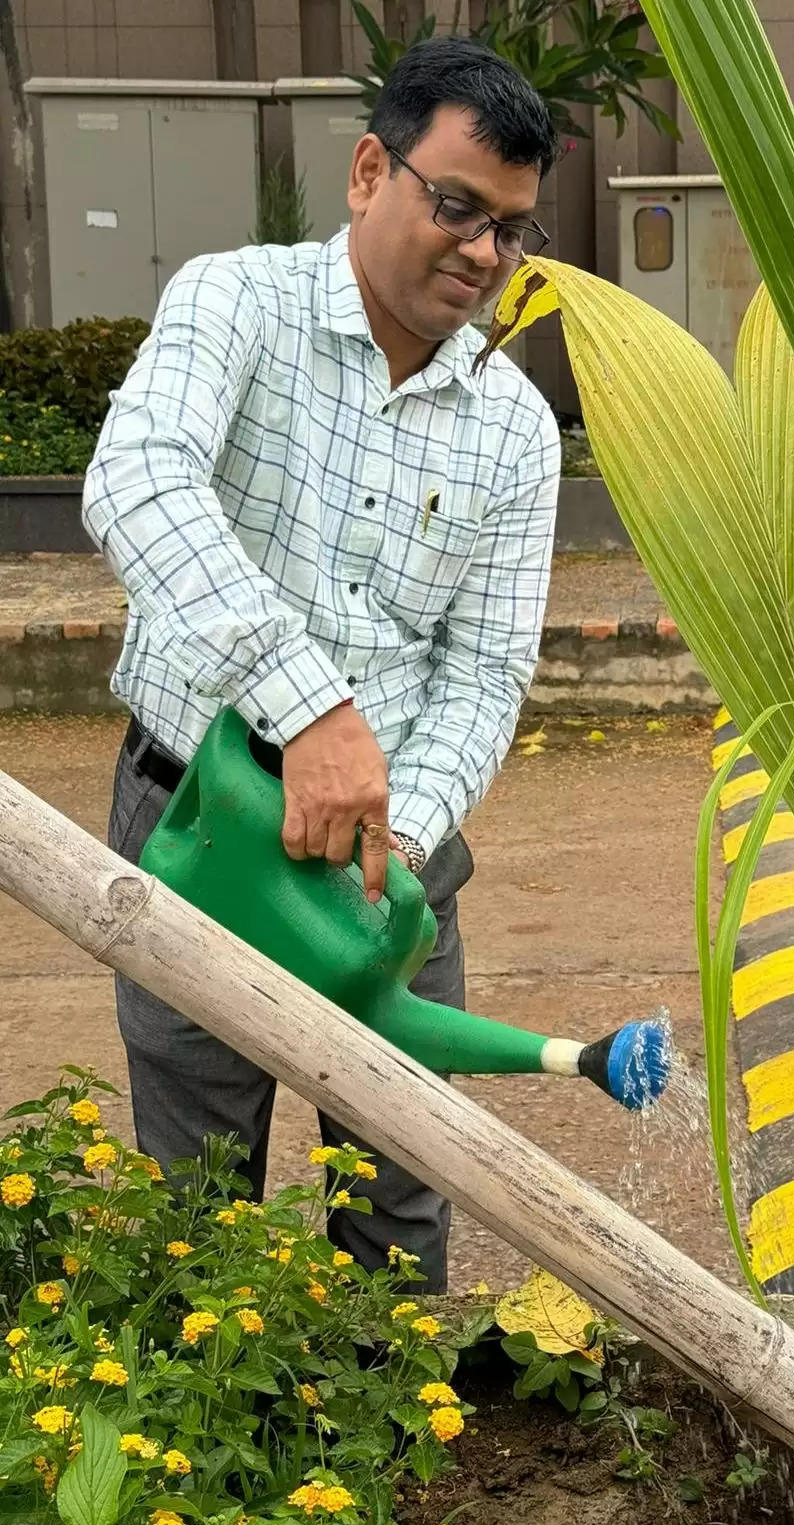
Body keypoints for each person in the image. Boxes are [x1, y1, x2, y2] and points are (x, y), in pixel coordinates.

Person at [82, 38, 561, 1286]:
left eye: (511, 229)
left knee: (403, 1207)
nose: (481, 250)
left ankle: (393, 1472)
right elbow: (137, 482)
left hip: (390, 874)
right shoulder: (234, 303)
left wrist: (398, 848)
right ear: (368, 171)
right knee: (198, 1214)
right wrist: (310, 713)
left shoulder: (515, 426)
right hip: (200, 817)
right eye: (456, 205)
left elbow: (487, 668)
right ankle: (212, 1483)